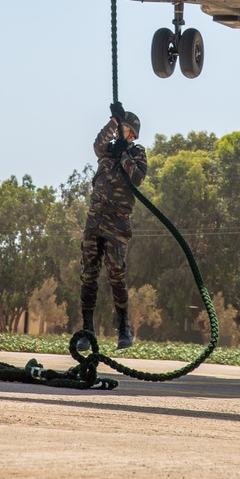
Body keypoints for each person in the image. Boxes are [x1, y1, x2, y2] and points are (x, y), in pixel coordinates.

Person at [80, 107, 147, 351]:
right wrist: (114, 121)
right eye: (120, 128)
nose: (120, 133)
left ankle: (123, 329)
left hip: (117, 225)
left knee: (116, 275)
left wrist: (124, 156)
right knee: (88, 276)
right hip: (94, 221)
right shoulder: (106, 151)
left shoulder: (138, 153)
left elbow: (137, 178)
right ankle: (87, 331)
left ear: (133, 135)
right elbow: (98, 142)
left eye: (124, 129)